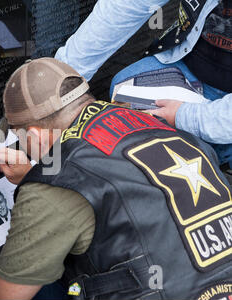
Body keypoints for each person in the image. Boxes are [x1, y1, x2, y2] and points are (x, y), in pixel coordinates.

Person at [0, 57, 232, 300]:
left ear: (35, 134)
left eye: (20, 137)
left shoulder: (57, 183)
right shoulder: (157, 124)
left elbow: (6, 295)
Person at [54, 0, 232, 172]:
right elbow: (124, 7)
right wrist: (63, 80)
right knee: (124, 91)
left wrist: (186, 117)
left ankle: (216, 153)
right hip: (193, 66)